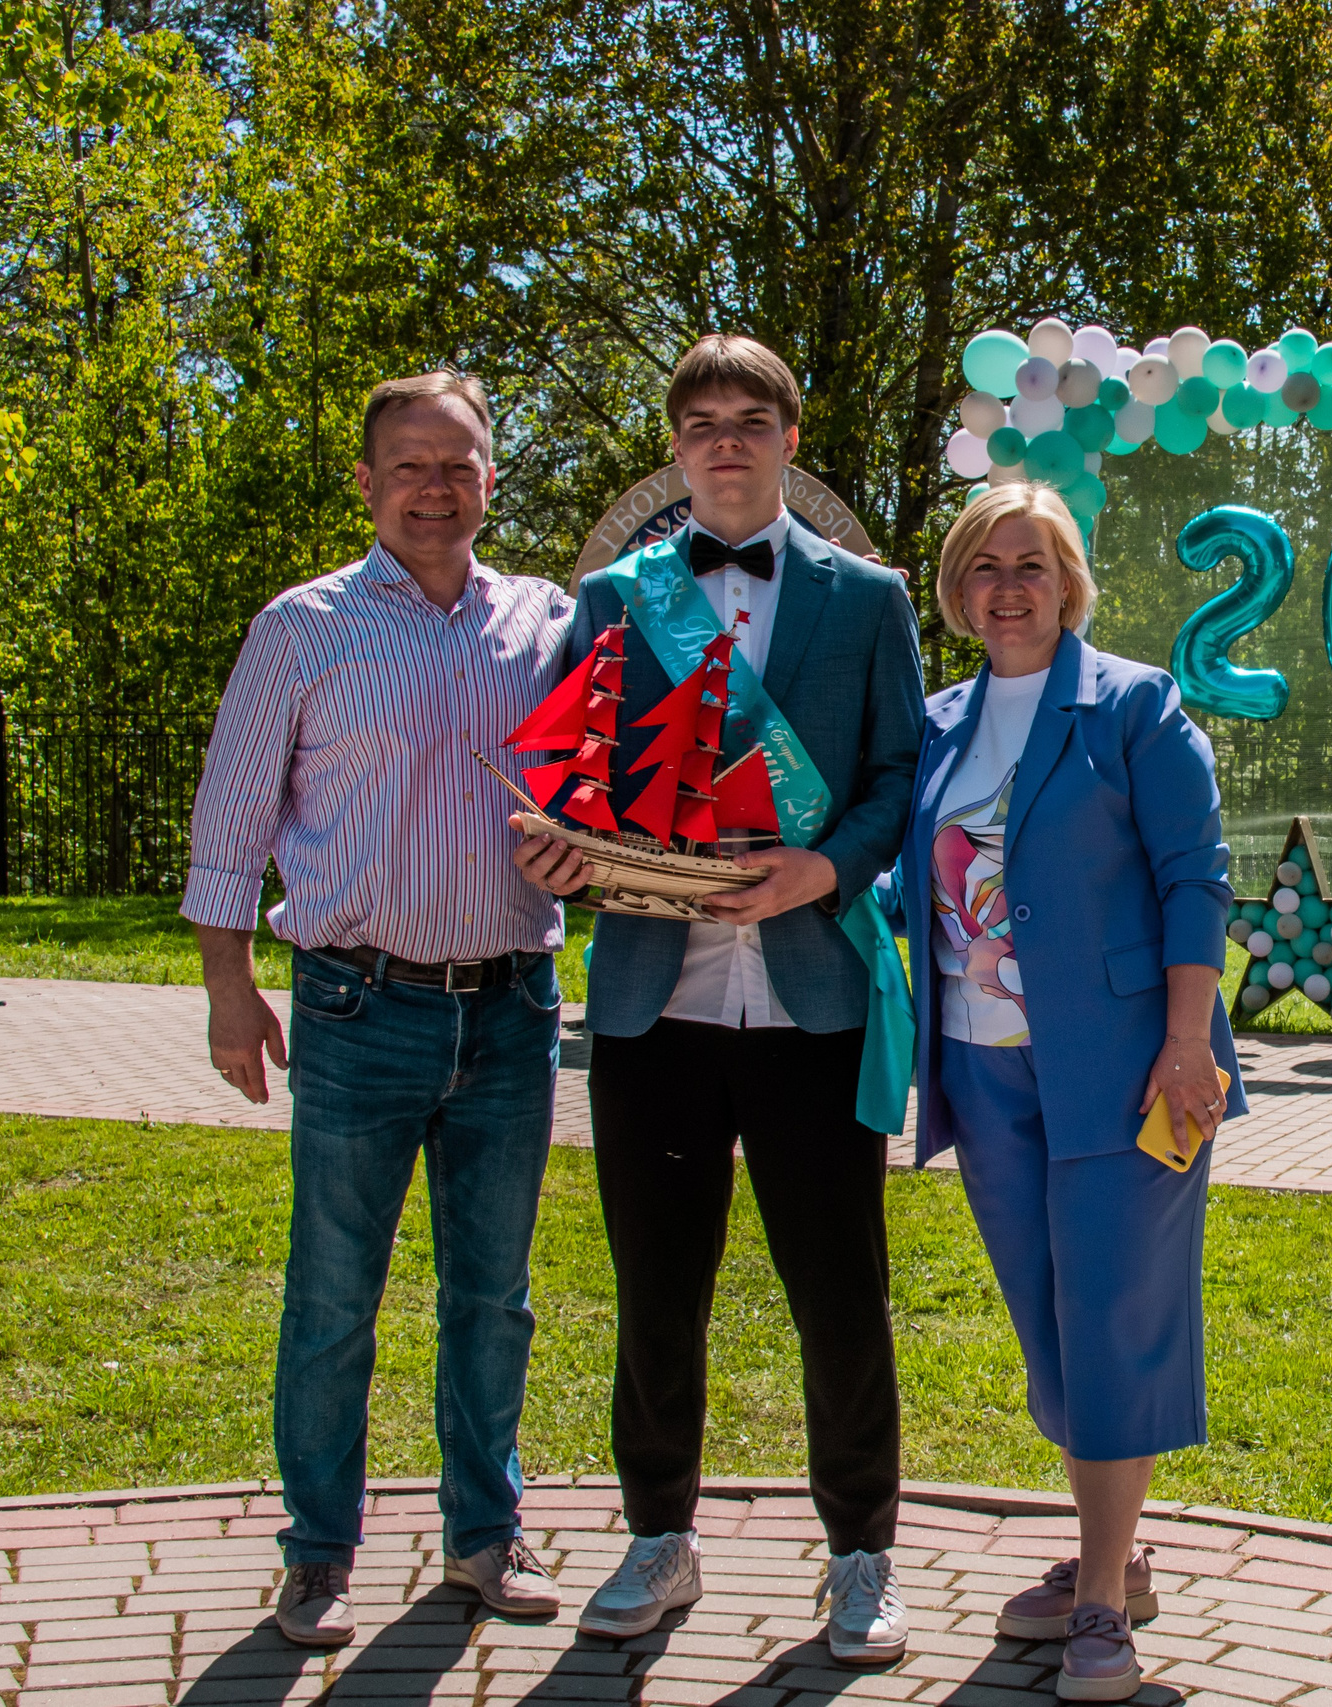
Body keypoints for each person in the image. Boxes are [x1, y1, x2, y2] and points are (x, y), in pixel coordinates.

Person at [512, 334, 924, 1658]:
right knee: (656, 1294)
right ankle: (658, 1537)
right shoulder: (614, 597)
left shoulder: (871, 599)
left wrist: (824, 866)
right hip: (655, 1009)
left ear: (790, 439)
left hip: (816, 1008)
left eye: (751, 420)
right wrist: (559, 848)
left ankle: (861, 1555)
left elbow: (900, 778)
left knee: (840, 1298)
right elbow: (573, 773)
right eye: (703, 424)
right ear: (678, 449)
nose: (727, 442)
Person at [184, 372, 573, 1648]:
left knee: (493, 1298)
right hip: (358, 1008)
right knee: (332, 1299)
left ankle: (483, 1535)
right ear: (366, 482)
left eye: (457, 465)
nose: (433, 488)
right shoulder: (302, 628)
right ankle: (318, 1555)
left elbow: (606, 784)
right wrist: (229, 992)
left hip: (512, 1010)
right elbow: (231, 819)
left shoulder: (547, 624)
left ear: (490, 481)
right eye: (408, 465)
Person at [886, 481, 1244, 1702]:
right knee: (1048, 1323)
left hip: (1128, 1070)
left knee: (1112, 1320)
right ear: (956, 590)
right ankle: (1117, 1557)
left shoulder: (1134, 704)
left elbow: (1196, 877)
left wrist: (1187, 1040)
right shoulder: (936, 723)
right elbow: (906, 882)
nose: (1008, 588)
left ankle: (1099, 1602)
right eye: (984, 567)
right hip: (980, 1068)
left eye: (1030, 564)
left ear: (1069, 582)